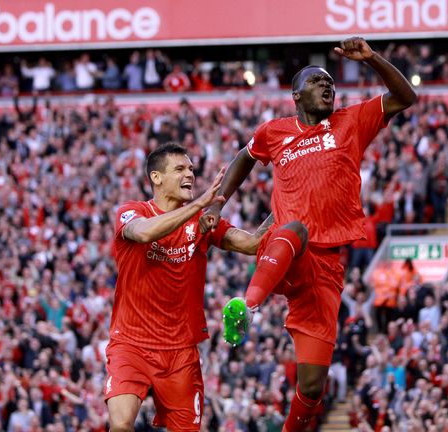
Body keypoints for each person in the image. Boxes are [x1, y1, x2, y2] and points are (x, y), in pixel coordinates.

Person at [199, 36, 416, 432]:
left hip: (328, 267)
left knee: (313, 386)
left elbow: (406, 96)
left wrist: (371, 59)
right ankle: (246, 307)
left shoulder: (351, 122)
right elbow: (243, 160)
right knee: (295, 228)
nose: (328, 85)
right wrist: (217, 202)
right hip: (286, 246)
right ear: (296, 94)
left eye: (331, 82)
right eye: (318, 81)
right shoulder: (274, 132)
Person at [105, 143, 272, 432]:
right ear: (156, 177)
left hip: (181, 352)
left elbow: (253, 243)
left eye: (192, 169)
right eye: (180, 169)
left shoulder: (202, 221)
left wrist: (289, 204)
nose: (190, 175)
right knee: (120, 425)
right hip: (131, 344)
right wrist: (198, 205)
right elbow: (144, 233)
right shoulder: (132, 212)